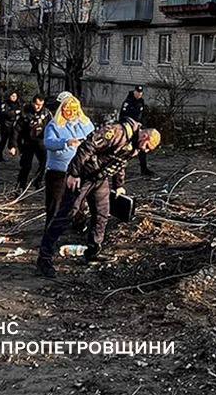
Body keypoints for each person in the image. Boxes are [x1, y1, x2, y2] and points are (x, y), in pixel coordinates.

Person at [34, 119, 162, 278]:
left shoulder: (134, 145)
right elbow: (86, 147)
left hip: (100, 179)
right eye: (148, 147)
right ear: (145, 138)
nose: (146, 151)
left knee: (102, 214)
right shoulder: (116, 132)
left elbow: (121, 162)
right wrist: (74, 173)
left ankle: (93, 251)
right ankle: (44, 258)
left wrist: (119, 185)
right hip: (83, 175)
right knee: (67, 214)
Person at [42, 92, 95, 222]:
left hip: (80, 171)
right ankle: (50, 235)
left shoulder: (85, 124)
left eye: (74, 110)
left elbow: (94, 142)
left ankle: (77, 229)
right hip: (59, 171)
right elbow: (48, 142)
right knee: (55, 205)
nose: (71, 114)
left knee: (78, 203)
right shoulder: (54, 125)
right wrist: (66, 142)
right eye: (67, 110)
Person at [15, 94, 51, 190]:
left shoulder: (47, 113)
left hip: (41, 142)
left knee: (44, 163)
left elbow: (51, 128)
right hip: (28, 142)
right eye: (37, 104)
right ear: (33, 103)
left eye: (41, 105)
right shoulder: (25, 112)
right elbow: (17, 130)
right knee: (26, 166)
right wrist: (13, 145)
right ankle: (20, 186)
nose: (38, 107)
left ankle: (38, 181)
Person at [118, 86, 152, 177]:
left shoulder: (141, 102)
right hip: (129, 129)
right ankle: (121, 169)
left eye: (141, 93)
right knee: (126, 149)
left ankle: (144, 169)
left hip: (139, 129)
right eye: (138, 92)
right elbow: (123, 116)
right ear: (134, 92)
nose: (139, 94)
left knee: (142, 148)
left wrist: (142, 125)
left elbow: (142, 115)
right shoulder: (128, 102)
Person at [0, 91, 22, 162]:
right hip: (6, 125)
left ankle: (17, 153)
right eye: (12, 96)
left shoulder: (18, 104)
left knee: (15, 139)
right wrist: (14, 113)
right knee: (3, 140)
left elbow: (22, 112)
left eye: (15, 96)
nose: (14, 98)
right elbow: (3, 113)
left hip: (15, 125)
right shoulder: (5, 104)